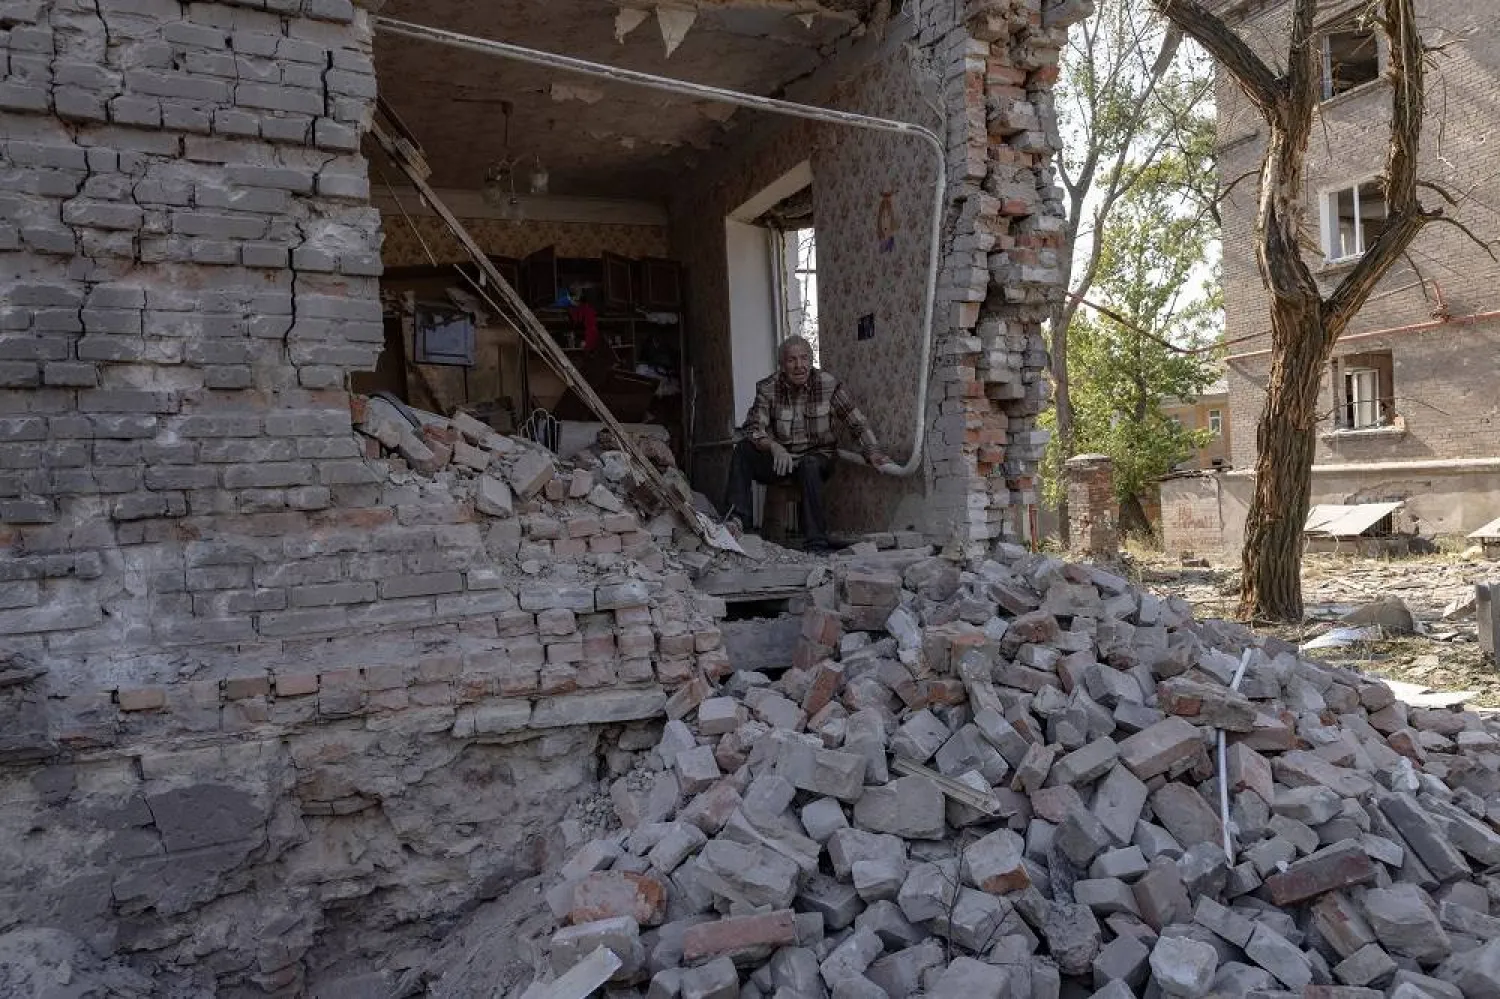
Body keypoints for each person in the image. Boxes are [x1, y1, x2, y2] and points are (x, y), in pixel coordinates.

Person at [724, 336, 898, 553]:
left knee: (809, 464)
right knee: (743, 450)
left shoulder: (827, 384)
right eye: (792, 360)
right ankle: (737, 521)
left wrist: (872, 451)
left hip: (818, 458)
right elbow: (753, 427)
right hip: (783, 460)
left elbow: (855, 421)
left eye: (804, 358)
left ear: (811, 360)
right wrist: (774, 447)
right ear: (782, 365)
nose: (799, 366)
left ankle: (816, 543)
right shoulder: (768, 388)